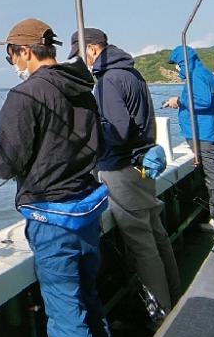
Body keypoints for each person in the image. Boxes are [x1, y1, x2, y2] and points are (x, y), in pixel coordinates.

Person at [0, 18, 112, 337]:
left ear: (24, 51)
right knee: (90, 300)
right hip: (88, 212)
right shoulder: (83, 88)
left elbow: (8, 163)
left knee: (65, 315)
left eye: (11, 54)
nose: (11, 62)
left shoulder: (24, 96)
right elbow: (100, 145)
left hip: (52, 223)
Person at [71, 28, 182, 316]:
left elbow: (117, 130)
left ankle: (161, 314)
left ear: (92, 49)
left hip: (121, 170)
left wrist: (85, 137)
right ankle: (176, 294)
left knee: (141, 245)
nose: (81, 61)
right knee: (156, 234)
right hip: (143, 164)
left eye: (81, 54)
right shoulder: (132, 74)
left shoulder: (107, 80)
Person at [160, 46, 214, 231]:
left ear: (183, 62)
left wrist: (179, 101)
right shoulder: (204, 73)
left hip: (203, 133)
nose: (177, 68)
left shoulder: (196, 75)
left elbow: (203, 101)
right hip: (209, 131)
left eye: (177, 64)